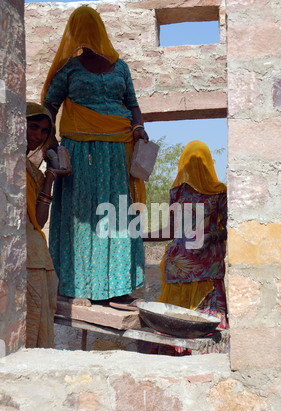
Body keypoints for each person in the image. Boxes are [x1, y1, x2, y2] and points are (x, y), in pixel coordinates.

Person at [41, 6, 149, 307]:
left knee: (118, 213)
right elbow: (49, 106)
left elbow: (133, 105)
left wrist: (139, 127)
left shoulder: (120, 67)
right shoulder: (69, 69)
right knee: (83, 214)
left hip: (118, 148)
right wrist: (51, 144)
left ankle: (119, 286)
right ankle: (79, 286)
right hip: (80, 149)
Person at [145, 141, 228, 350]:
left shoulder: (219, 193)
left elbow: (232, 228)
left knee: (210, 329)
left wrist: (212, 237)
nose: (194, 167)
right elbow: (172, 229)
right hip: (178, 274)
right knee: (174, 326)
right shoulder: (177, 193)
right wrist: (141, 236)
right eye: (190, 162)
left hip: (208, 273)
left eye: (199, 162)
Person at [26, 102, 72, 348]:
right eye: (33, 127)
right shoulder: (10, 165)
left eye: (44, 131)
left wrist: (50, 178)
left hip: (38, 259)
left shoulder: (33, 173)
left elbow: (39, 221)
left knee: (37, 325)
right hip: (24, 259)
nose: (39, 135)